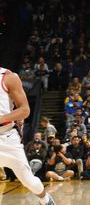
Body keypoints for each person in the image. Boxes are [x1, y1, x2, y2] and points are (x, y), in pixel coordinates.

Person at [0, 67, 57, 204]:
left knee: (28, 181)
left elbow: (25, 110)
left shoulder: (8, 77)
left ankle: (46, 200)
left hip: (6, 137)